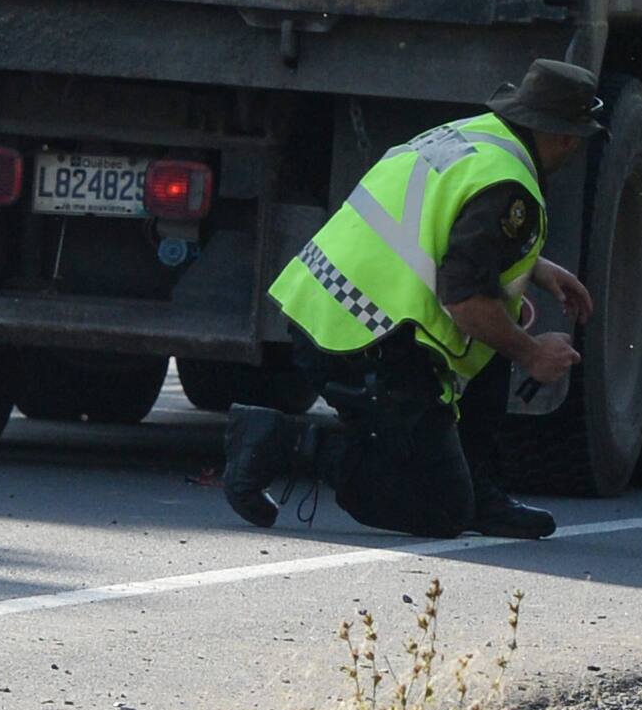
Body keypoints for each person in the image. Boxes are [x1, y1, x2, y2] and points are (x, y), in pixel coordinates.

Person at [222, 59, 602, 541]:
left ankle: (479, 489)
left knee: (495, 335)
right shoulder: (510, 184)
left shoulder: (475, 136)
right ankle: (284, 443)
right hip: (366, 339)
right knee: (438, 511)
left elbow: (444, 230)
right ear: (566, 136)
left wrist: (536, 267)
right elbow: (464, 300)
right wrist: (533, 355)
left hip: (331, 311)